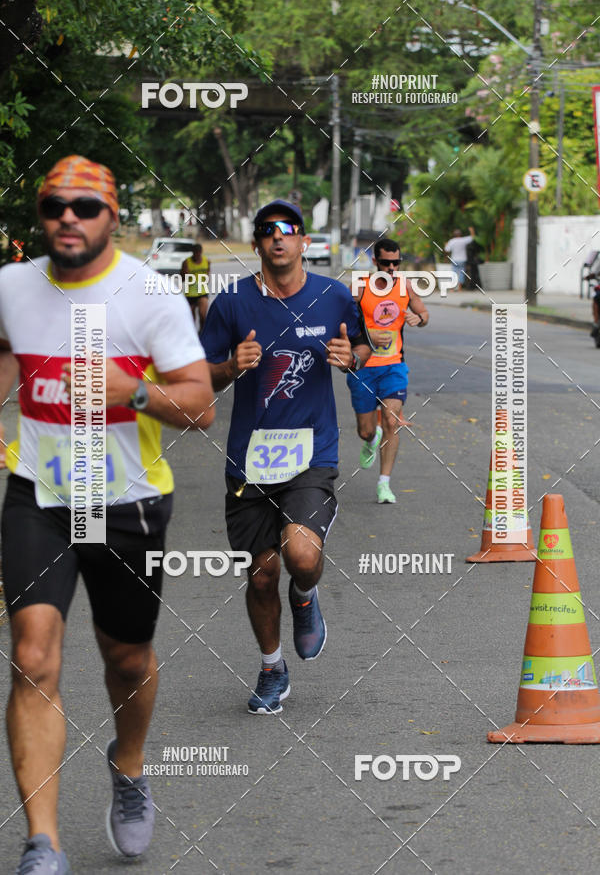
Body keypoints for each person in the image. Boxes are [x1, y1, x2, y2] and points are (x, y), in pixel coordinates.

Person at [0, 155, 215, 875]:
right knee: (32, 656)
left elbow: (200, 403)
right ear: (41, 212)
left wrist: (136, 390)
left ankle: (128, 765)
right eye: (55, 203)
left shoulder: (150, 295)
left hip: (127, 500)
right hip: (40, 495)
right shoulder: (11, 286)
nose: (68, 216)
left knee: (126, 657)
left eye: (84, 207)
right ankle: (44, 843)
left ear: (111, 217)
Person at [201, 199, 371, 715]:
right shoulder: (231, 304)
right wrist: (231, 366)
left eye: (288, 230)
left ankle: (305, 595)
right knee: (260, 575)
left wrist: (351, 359)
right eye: (267, 230)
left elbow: (365, 347)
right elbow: (197, 374)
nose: (278, 237)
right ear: (255, 243)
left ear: (302, 242)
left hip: (310, 454)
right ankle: (272, 667)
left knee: (300, 556)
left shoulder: (334, 297)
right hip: (248, 461)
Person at [348, 238, 429, 504]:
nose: (392, 267)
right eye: (386, 263)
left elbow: (423, 313)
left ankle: (384, 484)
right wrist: (367, 334)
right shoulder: (360, 287)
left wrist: (420, 319)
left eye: (397, 262)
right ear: (375, 262)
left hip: (394, 366)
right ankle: (372, 439)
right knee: (366, 430)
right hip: (363, 368)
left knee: (392, 420)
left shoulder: (404, 286)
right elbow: (340, 321)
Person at [180, 242, 211, 332]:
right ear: (192, 252)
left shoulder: (207, 261)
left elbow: (207, 275)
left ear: (201, 252)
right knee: (191, 319)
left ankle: (201, 334)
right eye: (195, 252)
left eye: (198, 252)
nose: (197, 254)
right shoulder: (186, 262)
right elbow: (181, 278)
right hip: (190, 294)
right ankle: (193, 335)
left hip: (202, 292)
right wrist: (185, 274)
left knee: (203, 316)